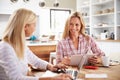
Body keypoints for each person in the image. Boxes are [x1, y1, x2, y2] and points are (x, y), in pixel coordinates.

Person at [0, 8, 72, 80]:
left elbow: (35, 60)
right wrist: (52, 79)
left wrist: (50, 66)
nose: (35, 28)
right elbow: (16, 78)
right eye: (34, 25)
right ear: (25, 26)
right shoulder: (6, 47)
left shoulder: (20, 44)